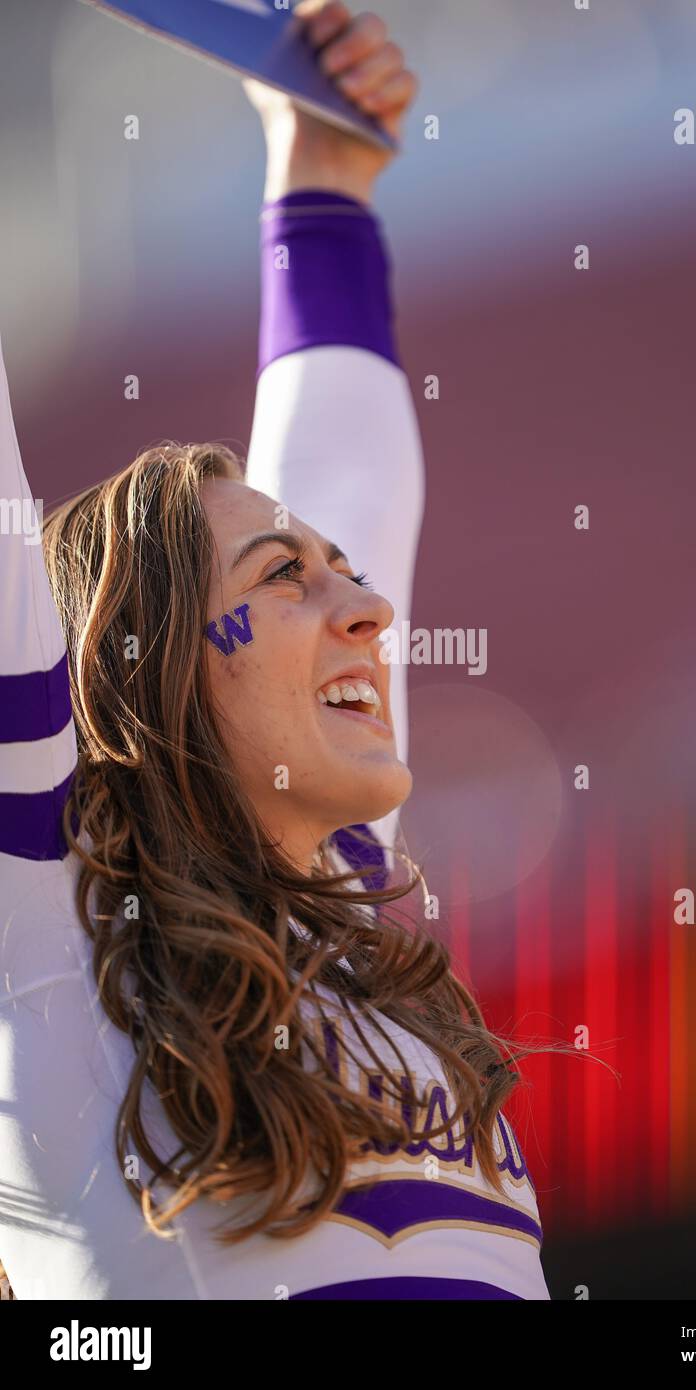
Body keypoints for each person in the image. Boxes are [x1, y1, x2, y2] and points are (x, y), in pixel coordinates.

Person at [0, 1, 552, 1300]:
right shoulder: (52, 933)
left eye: (344, 575)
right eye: (285, 578)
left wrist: (322, 175)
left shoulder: (348, 903)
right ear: (146, 678)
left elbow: (350, 471)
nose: (369, 611)